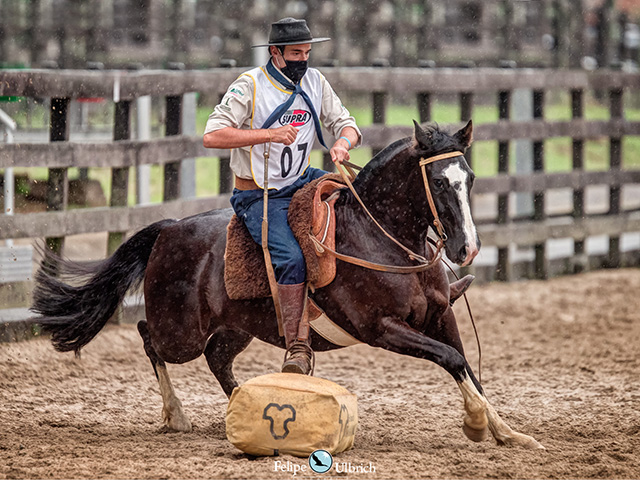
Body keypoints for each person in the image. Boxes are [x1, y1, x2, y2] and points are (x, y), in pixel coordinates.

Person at [203, 18, 361, 375]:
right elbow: (212, 135)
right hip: (259, 195)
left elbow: (347, 123)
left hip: (301, 180)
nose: (303, 60)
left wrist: (342, 143)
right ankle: (297, 348)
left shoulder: (315, 81)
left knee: (358, 199)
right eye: (295, 53)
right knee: (290, 258)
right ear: (275, 53)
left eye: (307, 52)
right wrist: (267, 135)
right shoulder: (249, 86)